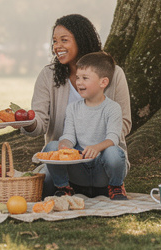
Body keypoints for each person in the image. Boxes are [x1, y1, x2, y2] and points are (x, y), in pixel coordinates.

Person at [21, 14, 131, 173]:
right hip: (65, 156)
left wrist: (95, 145)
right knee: (46, 176)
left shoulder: (114, 74)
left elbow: (124, 122)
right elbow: (40, 122)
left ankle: (107, 182)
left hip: (102, 154)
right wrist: (26, 121)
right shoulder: (48, 75)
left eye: (64, 40)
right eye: (54, 41)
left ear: (81, 40)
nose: (57, 46)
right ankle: (64, 185)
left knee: (112, 157)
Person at [46, 51, 130, 201]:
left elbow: (113, 138)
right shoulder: (73, 108)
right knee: (51, 147)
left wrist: (96, 148)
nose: (79, 82)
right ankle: (63, 188)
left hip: (101, 169)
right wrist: (64, 145)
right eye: (78, 78)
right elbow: (69, 136)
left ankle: (116, 187)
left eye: (85, 78)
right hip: (80, 168)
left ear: (103, 82)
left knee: (114, 152)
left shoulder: (113, 108)